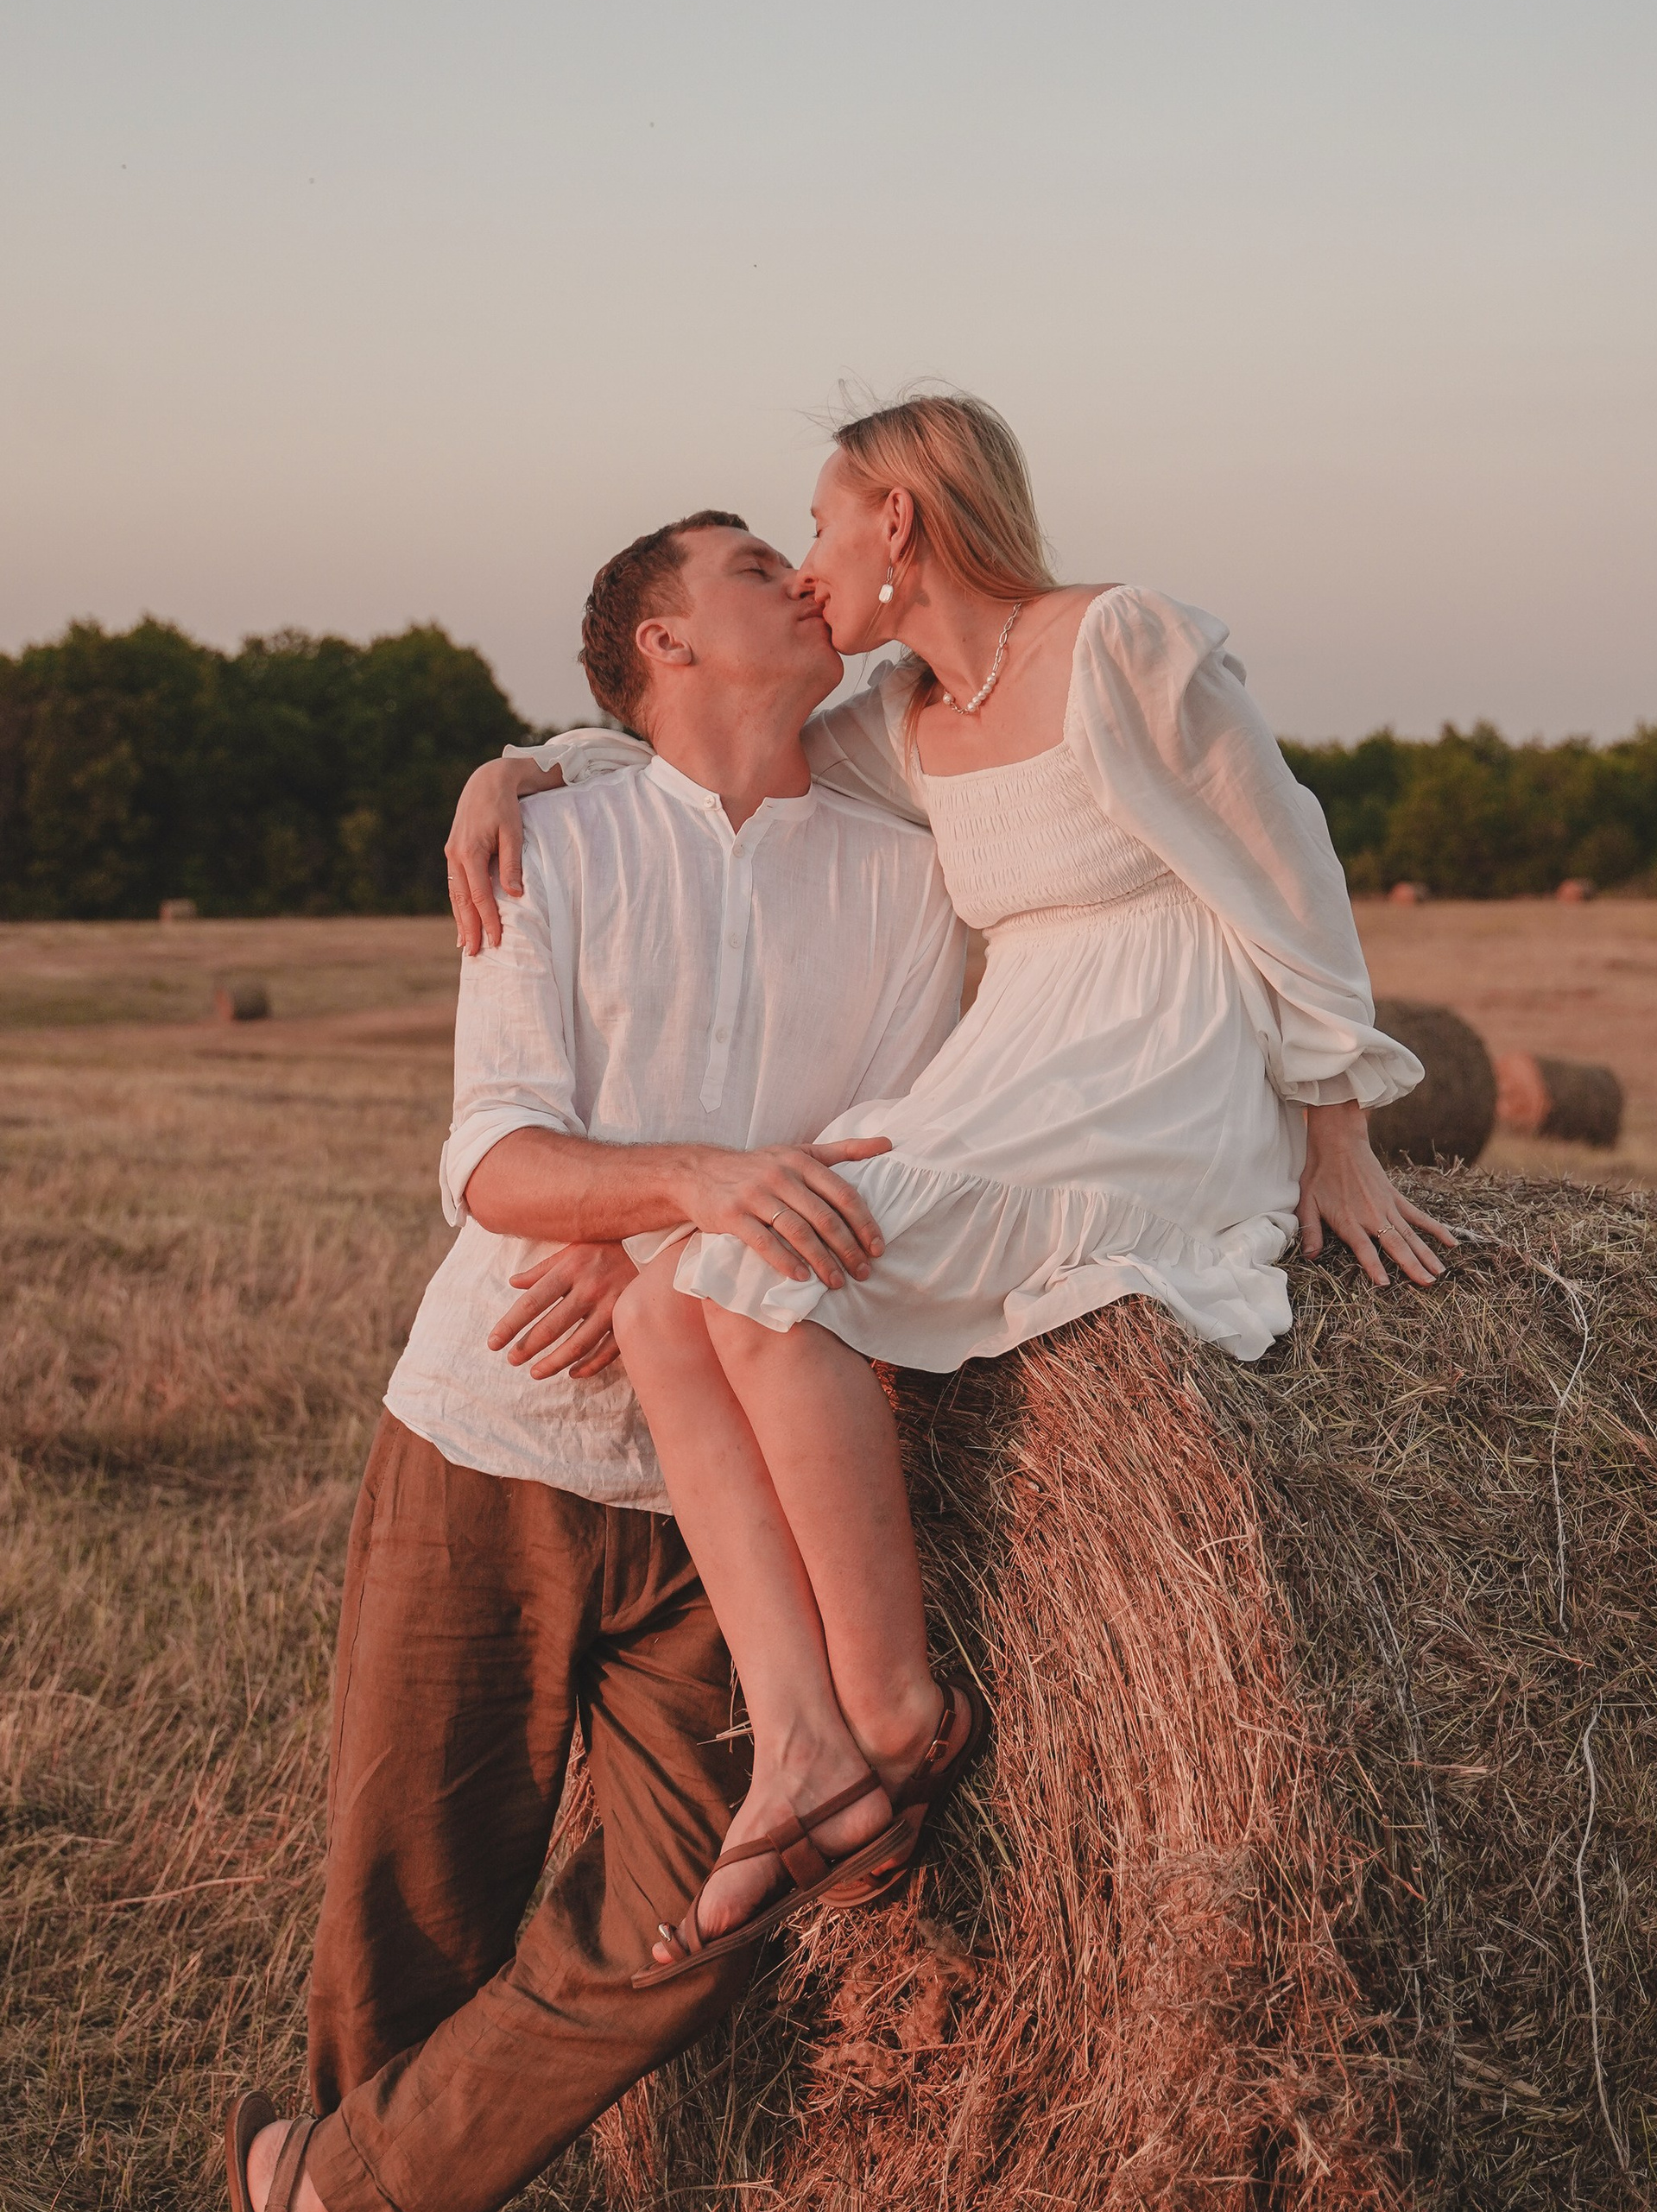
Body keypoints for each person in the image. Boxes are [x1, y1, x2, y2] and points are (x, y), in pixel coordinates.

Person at [446, 390, 1451, 1982]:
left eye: (819, 529)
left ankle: (897, 1704)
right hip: (1016, 1057)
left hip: (1156, 1053)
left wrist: (1339, 1125)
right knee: (662, 1297)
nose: (804, 574)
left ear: (896, 525)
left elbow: (1292, 861)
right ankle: (800, 1736)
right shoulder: (899, 720)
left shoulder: (1123, 644)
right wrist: (524, 762)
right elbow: (700, 739)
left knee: (785, 1272)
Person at [215, 508, 965, 2212]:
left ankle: (317, 2182)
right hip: (492, 1433)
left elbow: (893, 1141)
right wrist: (680, 1182)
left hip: (740, 1479)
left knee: (698, 1909)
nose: (797, 578)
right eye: (747, 561)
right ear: (657, 635)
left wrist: (659, 1211)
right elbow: (494, 1156)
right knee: (418, 1897)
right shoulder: (551, 838)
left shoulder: (904, 883)